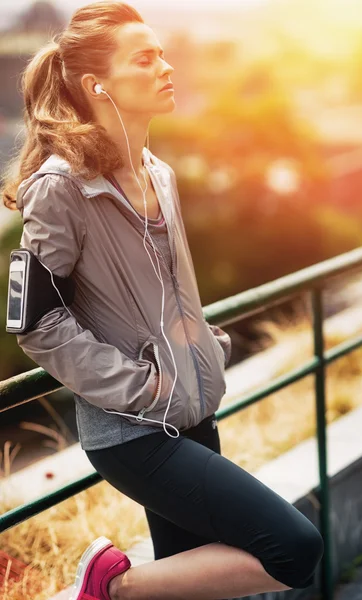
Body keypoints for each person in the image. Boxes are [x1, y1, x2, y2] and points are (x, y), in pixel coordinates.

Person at [1, 2, 324, 599]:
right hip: (134, 433)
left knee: (187, 588)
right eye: (145, 58)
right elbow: (34, 321)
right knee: (293, 549)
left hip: (192, 411)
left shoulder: (159, 172)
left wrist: (207, 348)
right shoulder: (59, 188)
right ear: (99, 84)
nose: (166, 67)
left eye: (162, 53)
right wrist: (139, 387)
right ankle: (109, 589)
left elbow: (174, 294)